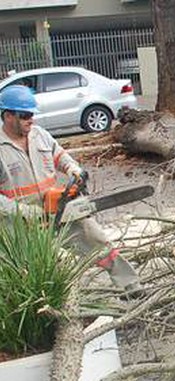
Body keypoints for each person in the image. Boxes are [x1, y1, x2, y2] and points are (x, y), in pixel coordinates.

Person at [0, 85, 144, 296]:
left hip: (56, 207)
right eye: (25, 115)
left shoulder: (39, 135)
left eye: (32, 114)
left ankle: (131, 287)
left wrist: (73, 170)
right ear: (8, 115)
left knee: (97, 240)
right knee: (27, 270)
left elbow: (60, 156)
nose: (31, 119)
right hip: (20, 222)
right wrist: (25, 212)